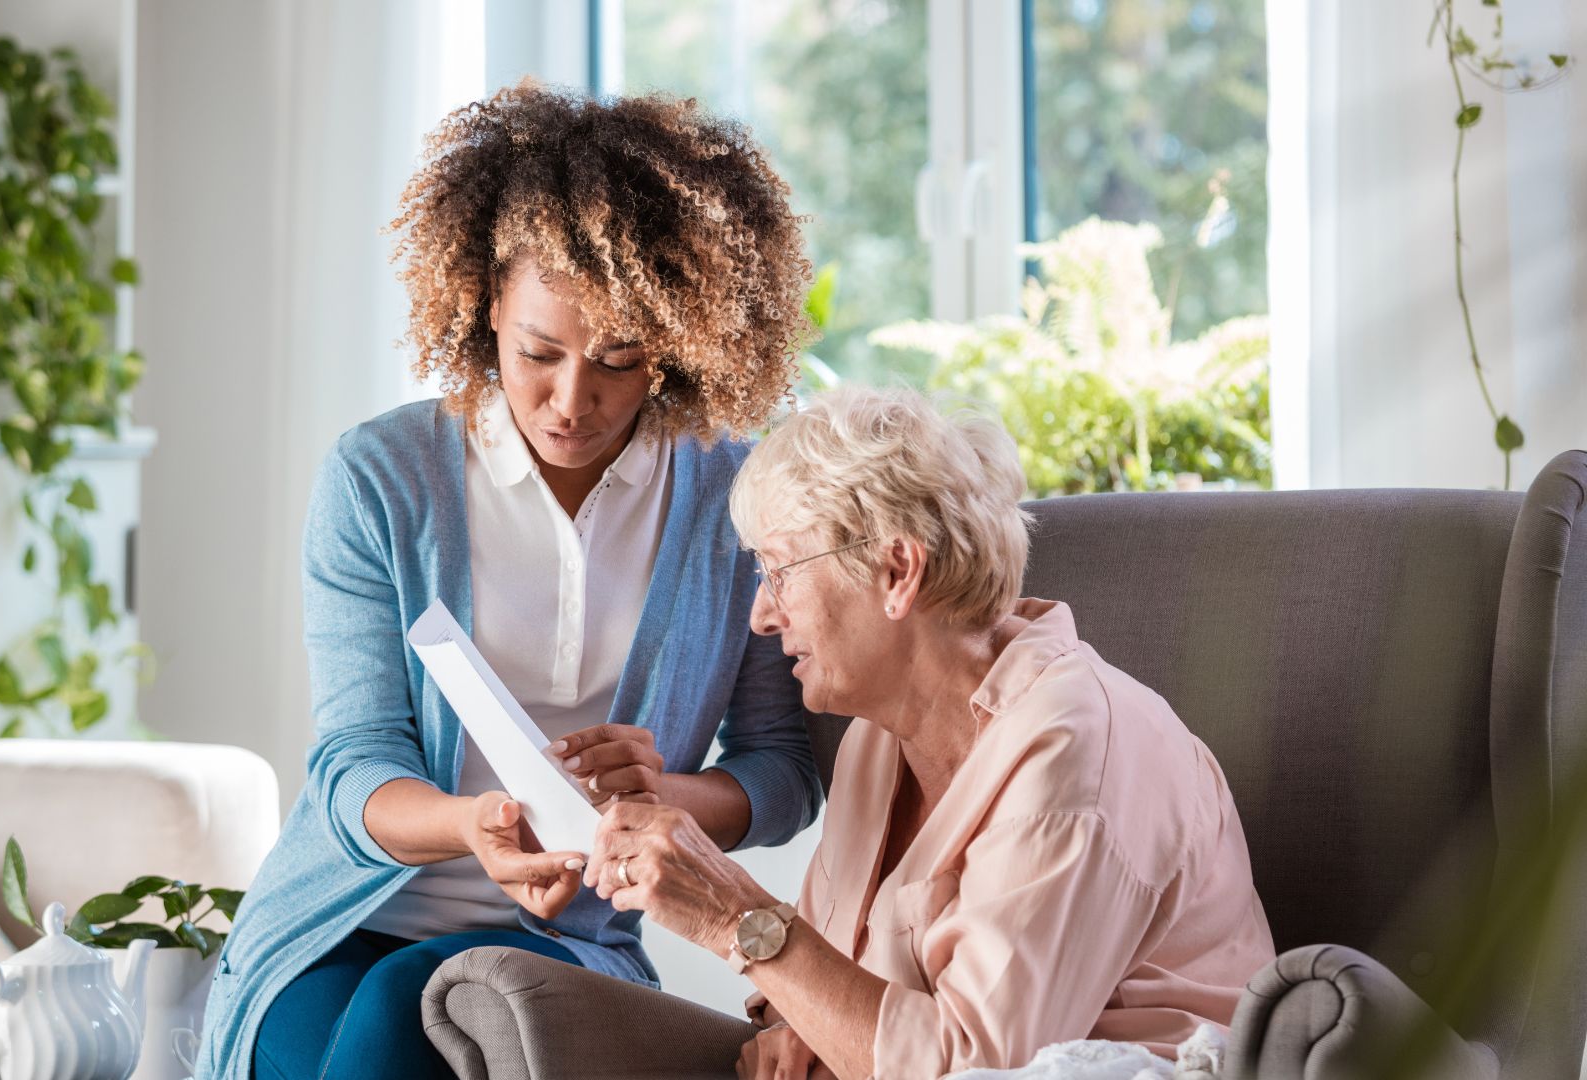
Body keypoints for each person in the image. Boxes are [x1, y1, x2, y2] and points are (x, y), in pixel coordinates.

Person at [197, 82, 827, 1080]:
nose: (571, 400)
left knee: (413, 1013)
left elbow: (783, 774)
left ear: (674, 345)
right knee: (340, 1031)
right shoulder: (379, 480)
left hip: (564, 937)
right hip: (341, 920)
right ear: (487, 303)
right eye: (539, 352)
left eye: (618, 361)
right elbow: (352, 762)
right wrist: (471, 828)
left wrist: (661, 795)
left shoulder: (732, 501)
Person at [586, 387, 1276, 1078]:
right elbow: (826, 972)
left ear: (897, 571)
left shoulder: (1076, 751)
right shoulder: (878, 738)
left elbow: (978, 1070)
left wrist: (731, 913)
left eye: (781, 573)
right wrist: (798, 1024)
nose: (762, 616)